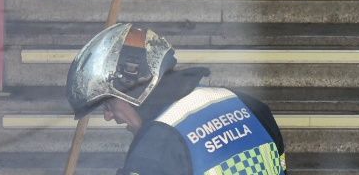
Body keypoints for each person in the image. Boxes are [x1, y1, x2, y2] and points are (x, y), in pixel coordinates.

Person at [66, 23, 285, 174]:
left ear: (132, 89)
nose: (107, 116)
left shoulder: (156, 147)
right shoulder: (247, 104)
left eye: (108, 103)